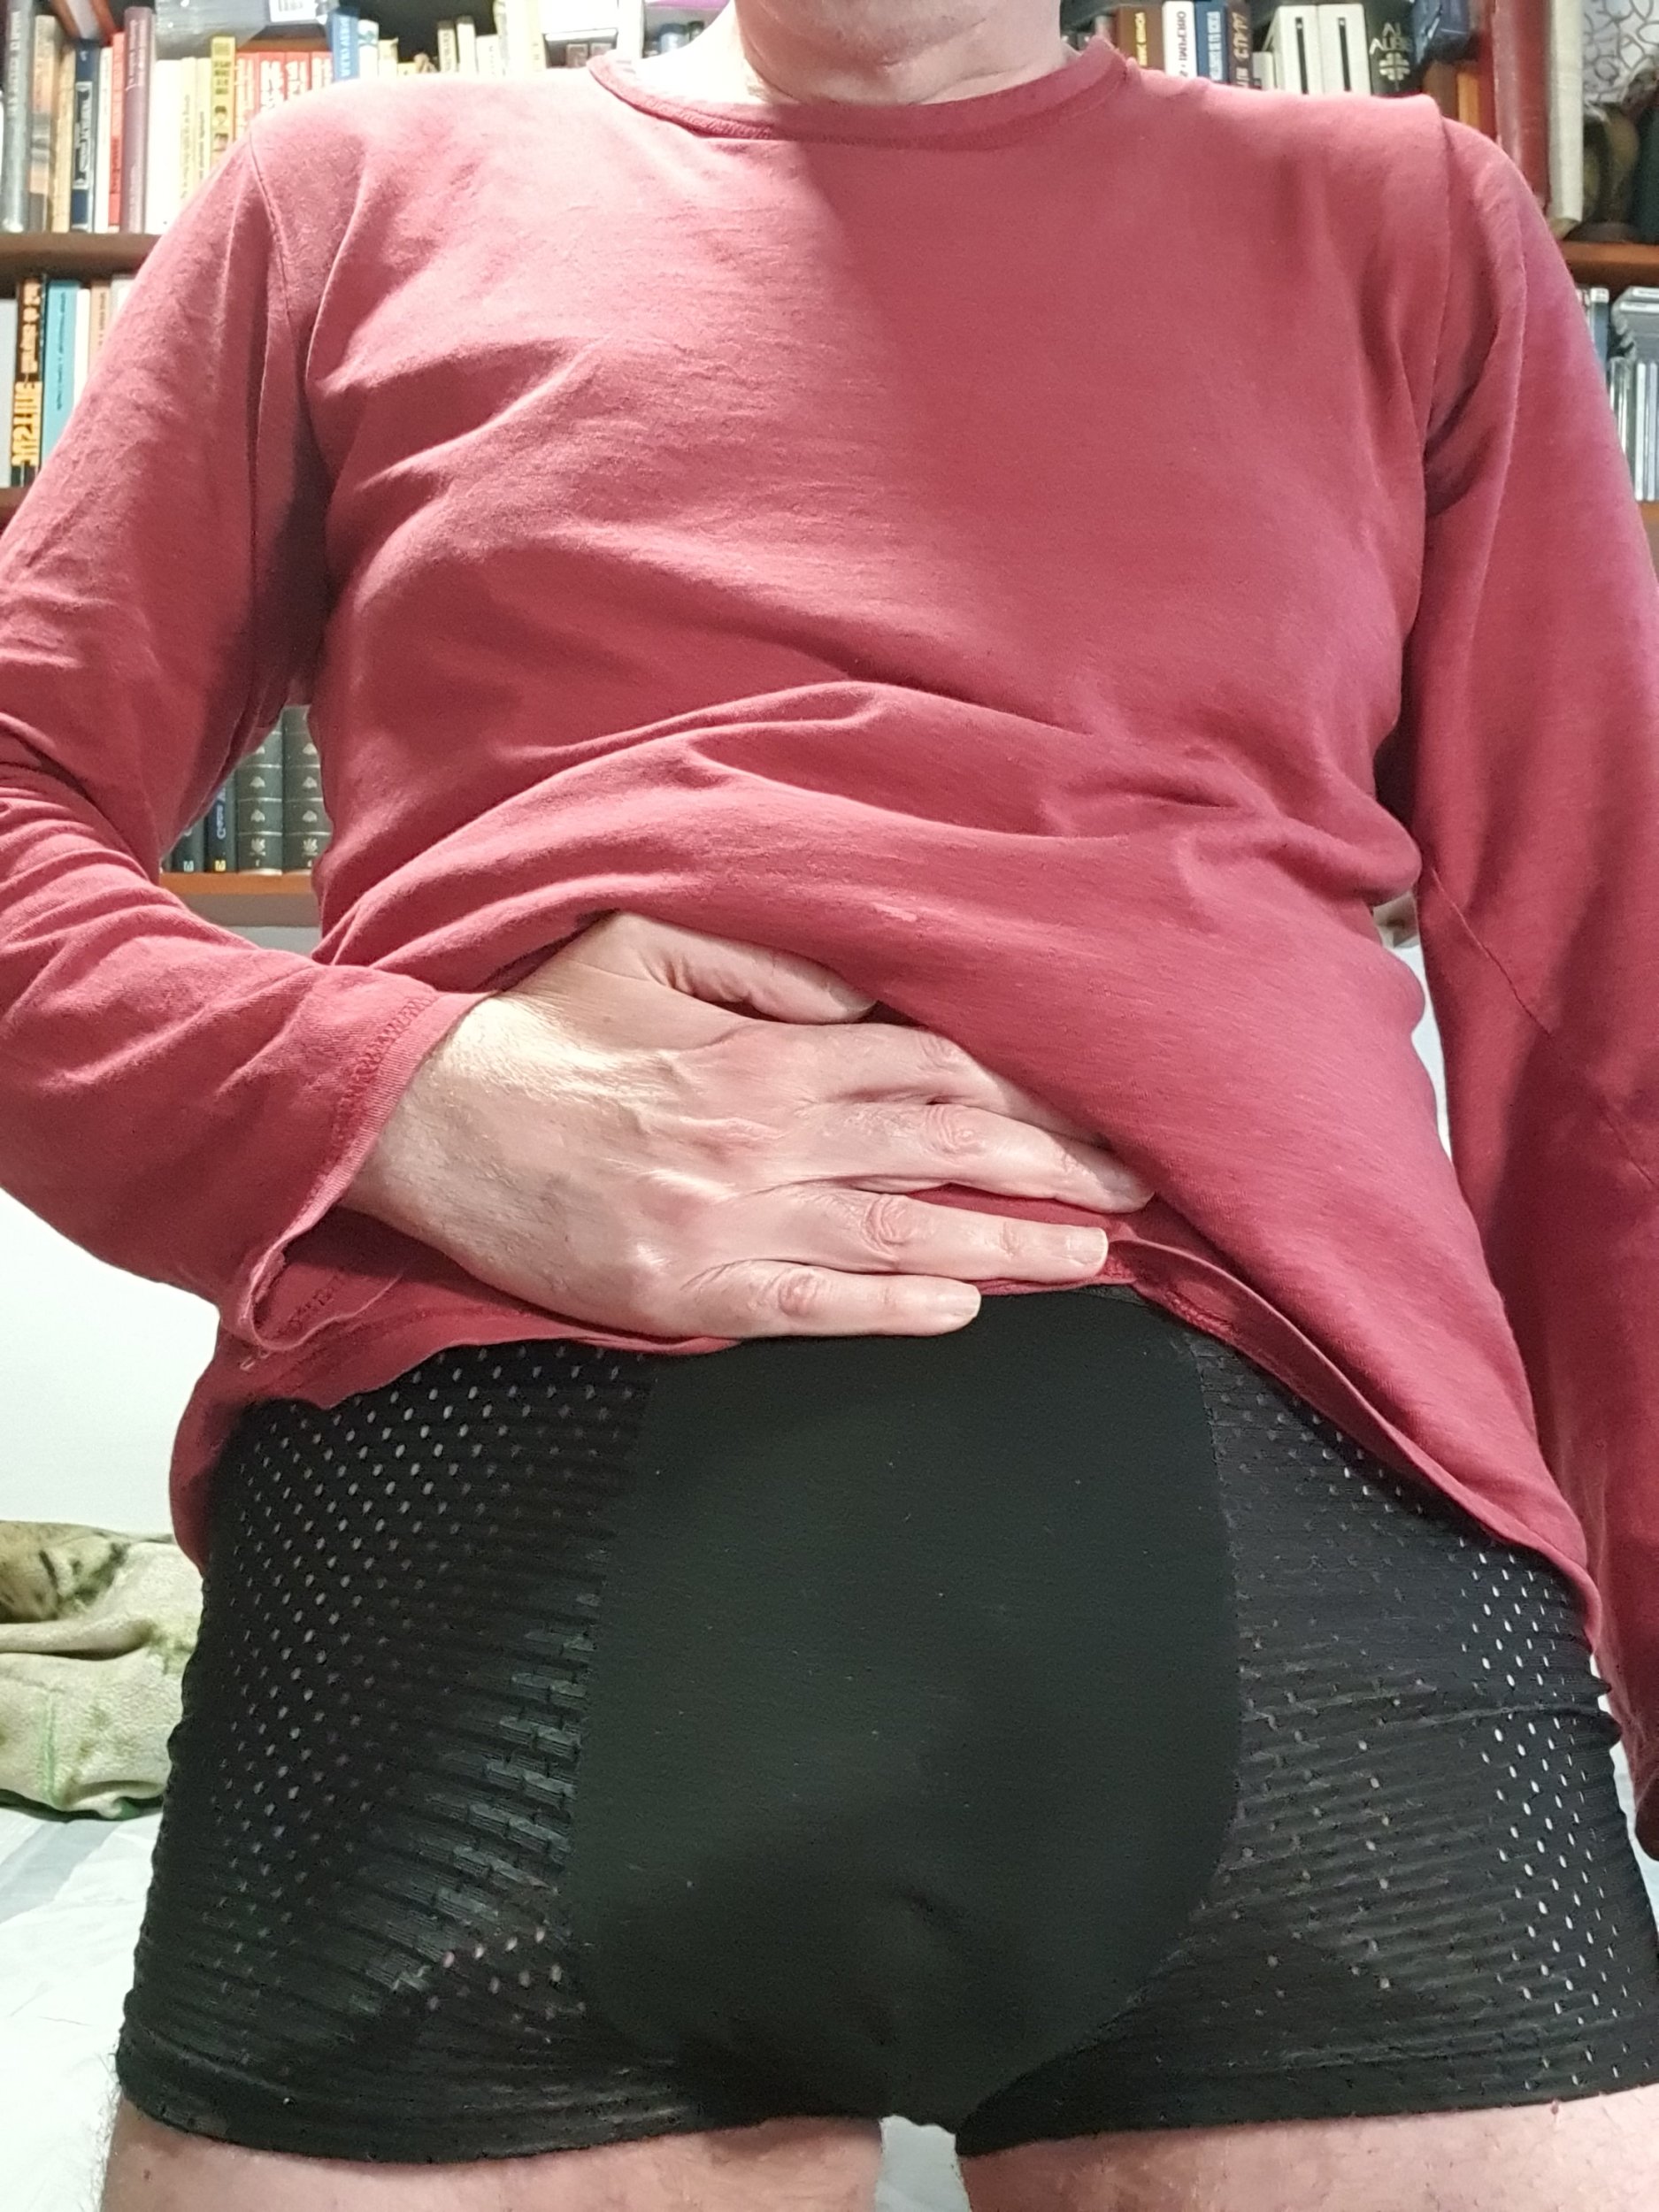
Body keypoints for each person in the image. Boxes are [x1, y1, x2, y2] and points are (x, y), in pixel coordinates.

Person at [1, 0, 1657, 2205]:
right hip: (472, 1516)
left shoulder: (1402, 222)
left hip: (1303, 1519)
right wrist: (397, 1091)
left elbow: (1597, 996)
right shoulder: (347, 193)